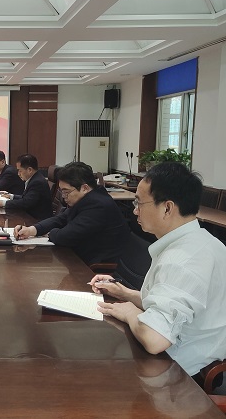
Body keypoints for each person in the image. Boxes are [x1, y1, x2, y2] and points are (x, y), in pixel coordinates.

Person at [90, 162, 226, 377]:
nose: (135, 210)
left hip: (180, 374)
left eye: (139, 202)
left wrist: (129, 312)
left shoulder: (182, 260)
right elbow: (171, 305)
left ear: (167, 208)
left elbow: (155, 339)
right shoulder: (201, 241)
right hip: (181, 354)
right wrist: (125, 294)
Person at [14, 161, 129, 265]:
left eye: (66, 192)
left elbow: (65, 237)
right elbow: (61, 219)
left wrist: (50, 233)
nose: (64, 197)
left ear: (84, 188)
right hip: (81, 257)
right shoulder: (89, 198)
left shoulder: (98, 205)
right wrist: (32, 230)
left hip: (94, 267)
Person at [0, 154, 52, 220]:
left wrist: (4, 203)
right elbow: (27, 198)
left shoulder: (37, 182)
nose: (18, 174)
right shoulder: (34, 179)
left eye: (20, 170)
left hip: (36, 220)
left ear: (29, 170)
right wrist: (11, 196)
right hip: (31, 217)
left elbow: (26, 203)